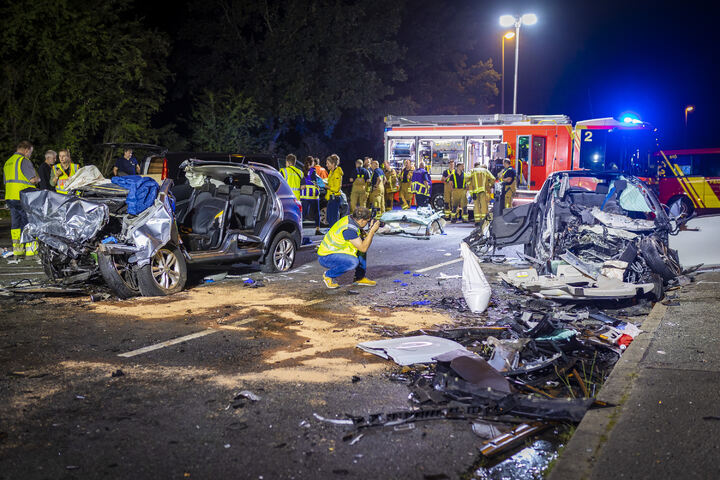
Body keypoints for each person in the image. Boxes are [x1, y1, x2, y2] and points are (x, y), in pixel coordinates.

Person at [317, 206, 379, 289]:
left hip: (336, 251)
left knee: (362, 249)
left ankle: (359, 278)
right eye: (367, 222)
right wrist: (372, 231)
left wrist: (364, 232)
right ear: (361, 220)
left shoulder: (351, 218)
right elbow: (363, 247)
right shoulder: (349, 229)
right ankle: (329, 275)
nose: (367, 224)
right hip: (327, 257)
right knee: (353, 262)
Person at [3, 140, 39, 256]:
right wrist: (38, 179)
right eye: (30, 152)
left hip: (10, 196)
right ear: (26, 150)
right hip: (22, 196)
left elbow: (5, 181)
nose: (30, 155)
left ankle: (18, 249)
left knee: (16, 223)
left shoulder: (8, 162)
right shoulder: (23, 160)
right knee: (27, 221)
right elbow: (32, 180)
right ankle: (30, 249)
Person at [300, 157, 322, 236]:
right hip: (313, 195)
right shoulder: (313, 171)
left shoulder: (302, 171)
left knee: (303, 214)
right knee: (316, 213)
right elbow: (316, 181)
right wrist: (319, 187)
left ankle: (299, 230)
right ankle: (317, 230)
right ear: (312, 163)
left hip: (304, 195)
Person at [470, 162, 496, 227]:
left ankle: (477, 221)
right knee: (484, 206)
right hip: (484, 191)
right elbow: (493, 179)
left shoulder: (473, 172)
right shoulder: (485, 172)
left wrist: (471, 192)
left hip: (475, 192)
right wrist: (490, 185)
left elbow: (468, 181)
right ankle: (484, 221)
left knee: (476, 206)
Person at [324, 154, 344, 226]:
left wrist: (326, 186)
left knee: (333, 220)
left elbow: (336, 188)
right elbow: (331, 183)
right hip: (331, 198)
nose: (326, 165)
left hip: (335, 198)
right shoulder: (331, 172)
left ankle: (334, 235)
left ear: (333, 164)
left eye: (328, 163)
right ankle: (332, 233)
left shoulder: (337, 173)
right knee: (329, 218)